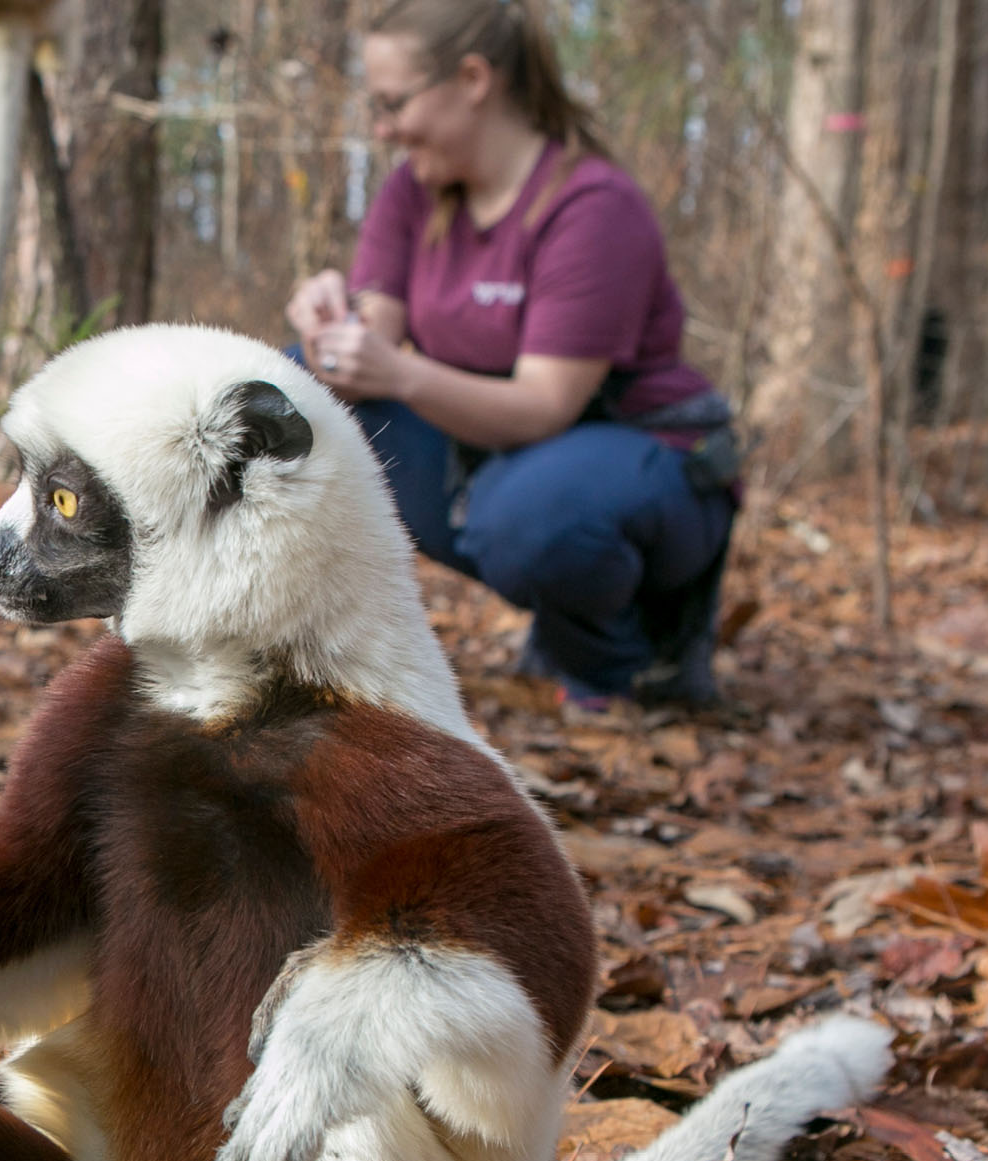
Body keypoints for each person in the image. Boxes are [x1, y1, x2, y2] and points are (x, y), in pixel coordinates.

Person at [286, 0, 738, 710]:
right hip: (504, 463)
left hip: (650, 461)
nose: (382, 129)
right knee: (302, 402)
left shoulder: (591, 207)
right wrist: (327, 335)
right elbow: (368, 342)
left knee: (531, 516)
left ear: (472, 79)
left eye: (394, 103)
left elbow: (544, 404)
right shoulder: (414, 189)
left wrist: (400, 371)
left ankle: (632, 663)